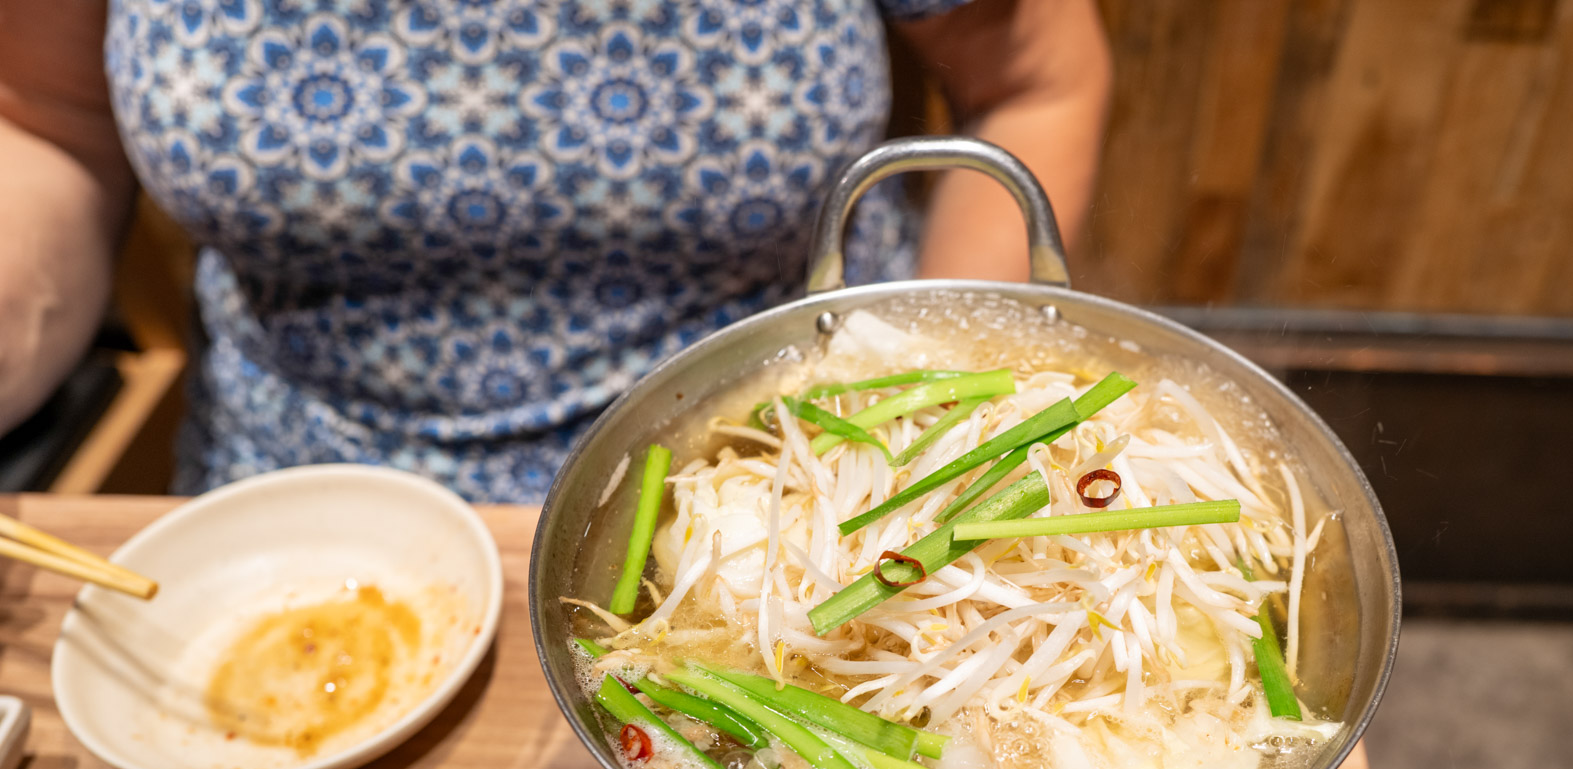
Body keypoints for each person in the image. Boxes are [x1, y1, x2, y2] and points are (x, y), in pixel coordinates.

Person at [0, 0, 1109, 501]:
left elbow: (1029, 84)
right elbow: (46, 124)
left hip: (795, 470)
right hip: (299, 500)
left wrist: (936, 425)